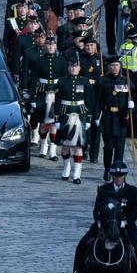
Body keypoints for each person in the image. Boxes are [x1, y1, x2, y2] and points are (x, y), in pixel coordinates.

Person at [65, 162, 137, 273]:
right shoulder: (104, 190)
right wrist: (99, 222)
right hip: (104, 227)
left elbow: (136, 213)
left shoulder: (132, 191)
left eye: (121, 176)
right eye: (116, 176)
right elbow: (96, 210)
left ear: (125, 176)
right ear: (112, 176)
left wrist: (124, 222)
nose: (118, 179)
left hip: (125, 228)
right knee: (82, 245)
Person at [55, 56, 95, 184]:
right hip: (65, 113)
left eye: (76, 66)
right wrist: (56, 116)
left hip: (80, 113)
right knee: (65, 145)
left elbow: (90, 101)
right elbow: (57, 101)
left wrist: (88, 118)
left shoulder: (85, 82)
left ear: (79, 68)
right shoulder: (61, 82)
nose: (73, 68)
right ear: (68, 67)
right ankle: (66, 167)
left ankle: (77, 174)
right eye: (71, 66)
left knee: (79, 145)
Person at [97, 57, 131, 182]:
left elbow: (131, 97)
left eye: (117, 65)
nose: (114, 68)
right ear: (109, 67)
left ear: (120, 66)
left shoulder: (125, 81)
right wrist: (96, 117)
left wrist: (131, 106)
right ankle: (107, 168)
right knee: (109, 147)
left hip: (121, 118)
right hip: (108, 117)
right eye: (112, 65)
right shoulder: (103, 81)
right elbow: (99, 101)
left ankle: (118, 173)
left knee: (120, 148)